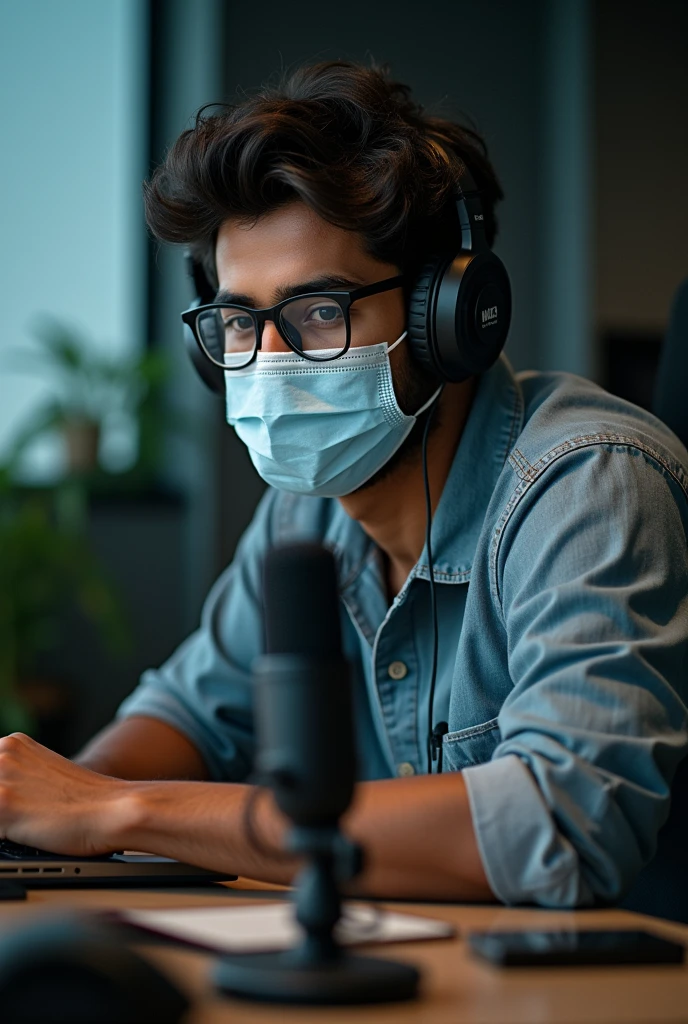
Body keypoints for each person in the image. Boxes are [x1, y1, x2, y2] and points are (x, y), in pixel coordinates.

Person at [1, 61, 687, 915]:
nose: (271, 363)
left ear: (448, 317)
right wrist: (40, 811)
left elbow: (563, 819)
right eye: (239, 321)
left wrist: (119, 809)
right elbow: (190, 715)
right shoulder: (305, 512)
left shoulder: (590, 484)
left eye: (320, 312)